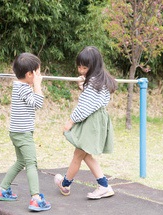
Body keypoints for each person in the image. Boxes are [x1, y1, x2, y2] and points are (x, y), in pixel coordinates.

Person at [54, 46, 118, 199]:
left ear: (93, 66)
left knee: (78, 154)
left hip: (91, 121)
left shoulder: (93, 83)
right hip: (98, 120)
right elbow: (94, 100)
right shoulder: (102, 80)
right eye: (79, 66)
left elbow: (85, 106)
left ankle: (66, 185)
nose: (81, 70)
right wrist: (84, 86)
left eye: (84, 67)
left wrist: (71, 121)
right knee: (85, 155)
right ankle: (101, 185)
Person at [0, 52, 51, 212]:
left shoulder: (18, 85)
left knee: (20, 162)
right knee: (32, 163)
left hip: (16, 132)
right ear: (29, 74)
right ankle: (36, 198)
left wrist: (35, 83)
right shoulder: (24, 88)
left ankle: (2, 189)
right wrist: (38, 85)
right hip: (23, 133)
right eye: (38, 72)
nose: (39, 75)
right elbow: (38, 103)